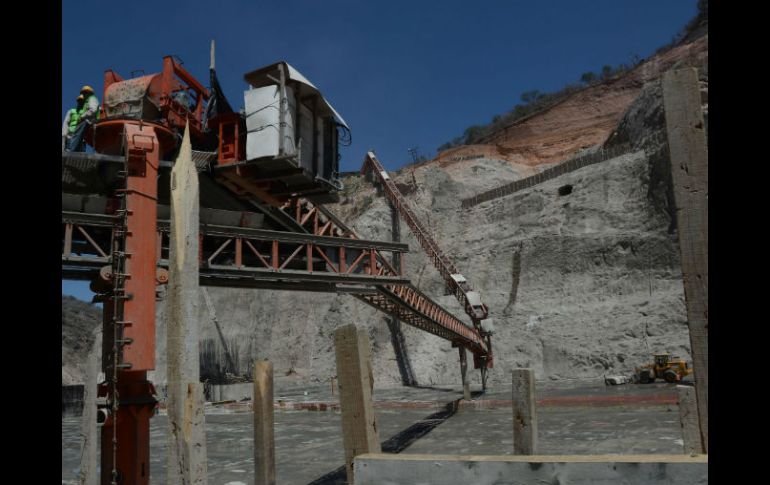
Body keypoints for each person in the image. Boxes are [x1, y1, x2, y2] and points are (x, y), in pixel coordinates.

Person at [66, 85, 100, 152]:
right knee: (79, 133)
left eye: (85, 93)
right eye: (83, 93)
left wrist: (82, 117)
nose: (84, 94)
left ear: (89, 93)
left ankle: (71, 149)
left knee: (78, 131)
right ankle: (74, 148)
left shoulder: (92, 99)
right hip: (89, 120)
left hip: (91, 121)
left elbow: (92, 110)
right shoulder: (86, 102)